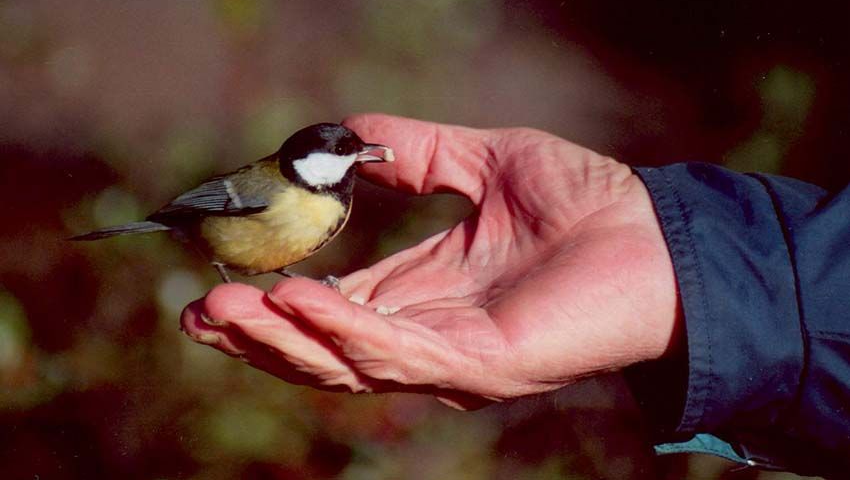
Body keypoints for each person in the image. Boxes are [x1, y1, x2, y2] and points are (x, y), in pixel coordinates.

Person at [180, 114, 850, 478]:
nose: (360, 160)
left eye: (358, 153)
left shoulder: (329, 195)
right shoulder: (280, 188)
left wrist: (677, 264)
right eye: (345, 153)